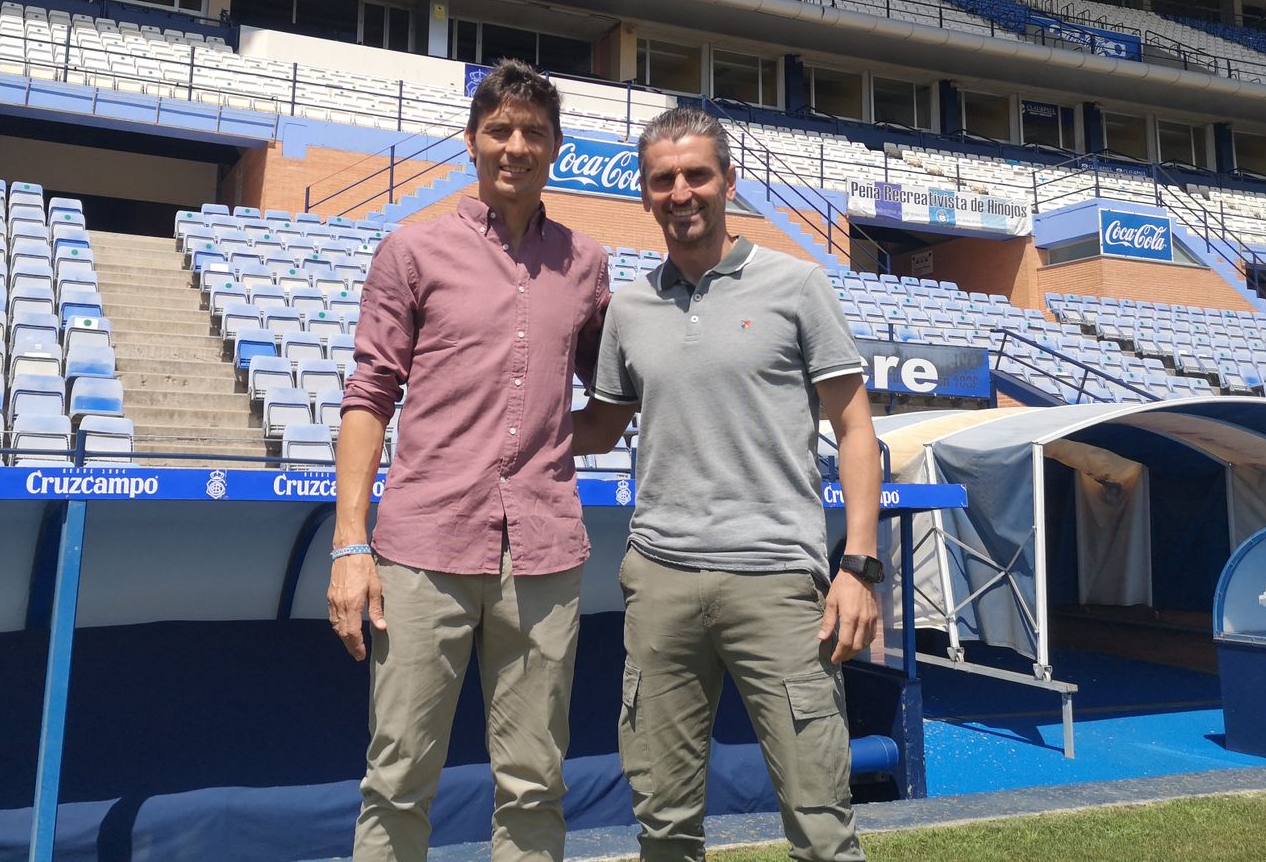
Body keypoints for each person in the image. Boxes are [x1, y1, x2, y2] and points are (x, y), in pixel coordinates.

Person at [573, 106, 882, 862]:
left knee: (820, 823)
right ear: (645, 196)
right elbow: (599, 428)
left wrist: (859, 568)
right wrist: (496, 431)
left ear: (728, 184)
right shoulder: (630, 309)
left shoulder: (799, 284)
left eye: (697, 175)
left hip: (778, 582)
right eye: (663, 180)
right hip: (661, 582)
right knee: (665, 825)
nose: (682, 192)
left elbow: (856, 430)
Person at [329, 59, 612, 862]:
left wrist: (566, 436)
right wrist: (352, 544)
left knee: (533, 780)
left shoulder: (587, 264)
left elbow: (614, 388)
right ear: (472, 141)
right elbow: (369, 394)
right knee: (397, 778)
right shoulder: (412, 250)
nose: (515, 145)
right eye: (499, 130)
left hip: (545, 554)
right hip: (424, 548)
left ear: (556, 146)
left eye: (533, 132)